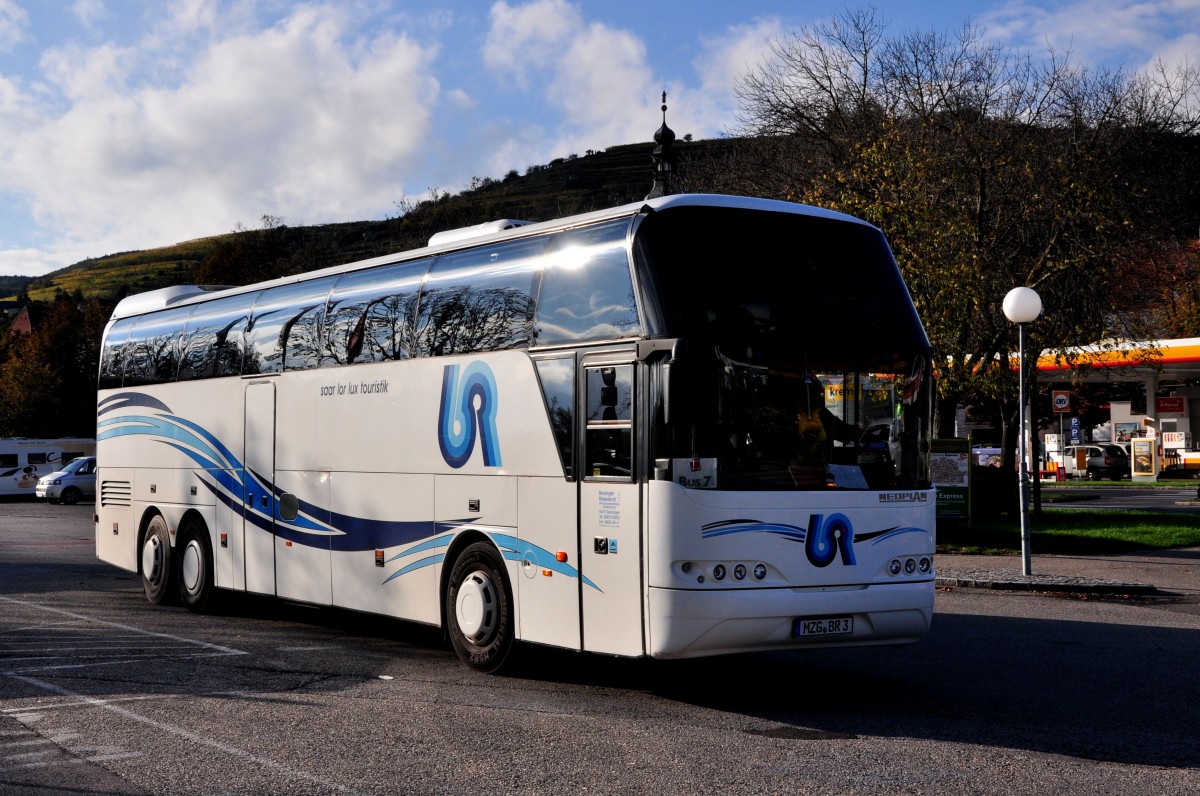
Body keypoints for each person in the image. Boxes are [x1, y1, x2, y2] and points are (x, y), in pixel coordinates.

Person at [788, 374, 862, 486]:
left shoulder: (822, 414)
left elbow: (841, 430)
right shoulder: (790, 416)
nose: (817, 396)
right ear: (800, 394)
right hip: (792, 478)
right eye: (813, 393)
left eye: (818, 393)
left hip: (822, 474)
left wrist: (861, 433)